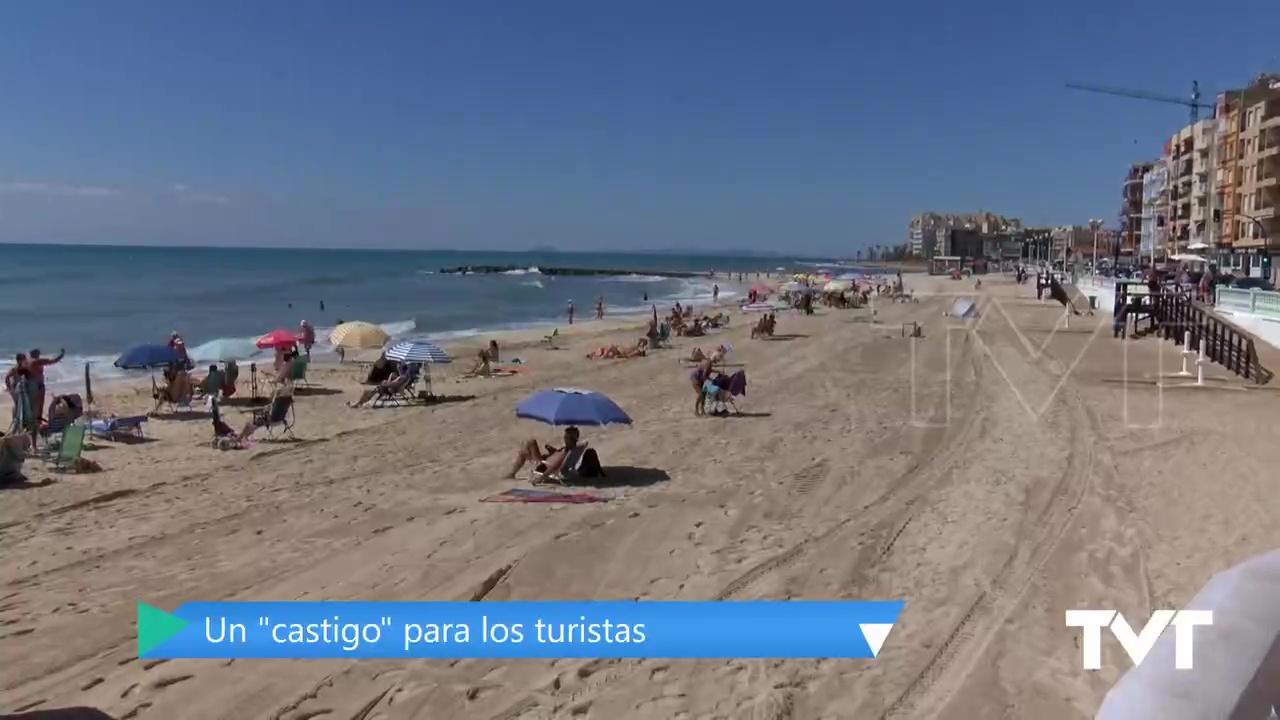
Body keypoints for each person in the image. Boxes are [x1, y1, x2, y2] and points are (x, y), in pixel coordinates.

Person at [238, 350, 296, 439]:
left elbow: (270, 403)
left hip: (271, 419)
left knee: (250, 422)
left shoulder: (277, 392)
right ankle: (242, 438)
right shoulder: (289, 392)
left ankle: (241, 438)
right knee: (256, 418)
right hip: (281, 418)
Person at [507, 426, 580, 479]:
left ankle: (512, 474)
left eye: (565, 437)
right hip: (545, 460)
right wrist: (553, 451)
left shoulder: (565, 452)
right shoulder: (573, 449)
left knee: (528, 445)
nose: (564, 439)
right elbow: (558, 459)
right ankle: (512, 473)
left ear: (570, 439)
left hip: (543, 465)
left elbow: (553, 466)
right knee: (528, 446)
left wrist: (541, 478)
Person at [27, 348, 64, 424]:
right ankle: (37, 422)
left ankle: (34, 421)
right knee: (39, 405)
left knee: (33, 405)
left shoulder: (27, 362)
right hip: (37, 386)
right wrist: (62, 355)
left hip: (30, 385)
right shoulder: (36, 361)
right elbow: (52, 361)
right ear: (36, 354)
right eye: (38, 354)